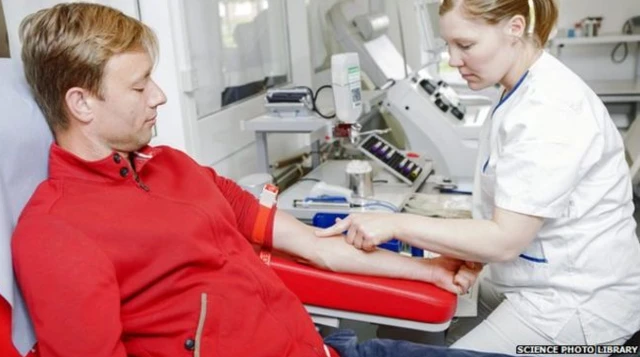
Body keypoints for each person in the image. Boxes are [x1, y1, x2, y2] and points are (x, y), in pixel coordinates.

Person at [9, 3, 501, 357]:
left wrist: (430, 270)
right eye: (139, 85)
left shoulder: (174, 167)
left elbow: (317, 246)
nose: (158, 96)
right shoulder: (58, 232)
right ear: (81, 103)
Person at [318, 0, 640, 354]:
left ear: (515, 28)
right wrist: (470, 255)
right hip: (534, 278)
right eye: (448, 46)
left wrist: (394, 224)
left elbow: (505, 239)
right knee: (424, 331)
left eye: (466, 45)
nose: (454, 60)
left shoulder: (549, 108)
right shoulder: (515, 89)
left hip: (576, 305)